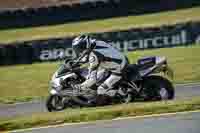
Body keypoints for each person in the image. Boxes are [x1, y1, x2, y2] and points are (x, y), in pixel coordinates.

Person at [71, 35, 129, 99]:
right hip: (116, 61)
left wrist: (80, 87)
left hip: (118, 70)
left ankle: (122, 93)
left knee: (100, 90)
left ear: (85, 46)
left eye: (79, 48)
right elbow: (86, 57)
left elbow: (92, 80)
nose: (78, 51)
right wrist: (76, 62)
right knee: (97, 80)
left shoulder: (94, 56)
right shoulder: (96, 42)